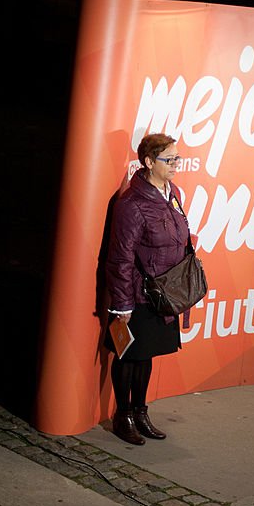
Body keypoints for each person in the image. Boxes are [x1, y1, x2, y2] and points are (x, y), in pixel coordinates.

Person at [105, 133, 190, 444]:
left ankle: (141, 412)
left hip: (163, 294)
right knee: (128, 355)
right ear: (149, 162)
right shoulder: (131, 204)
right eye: (169, 160)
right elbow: (121, 257)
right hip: (138, 296)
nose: (175, 165)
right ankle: (122, 416)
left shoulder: (173, 192)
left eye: (177, 158)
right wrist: (122, 304)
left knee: (147, 355)